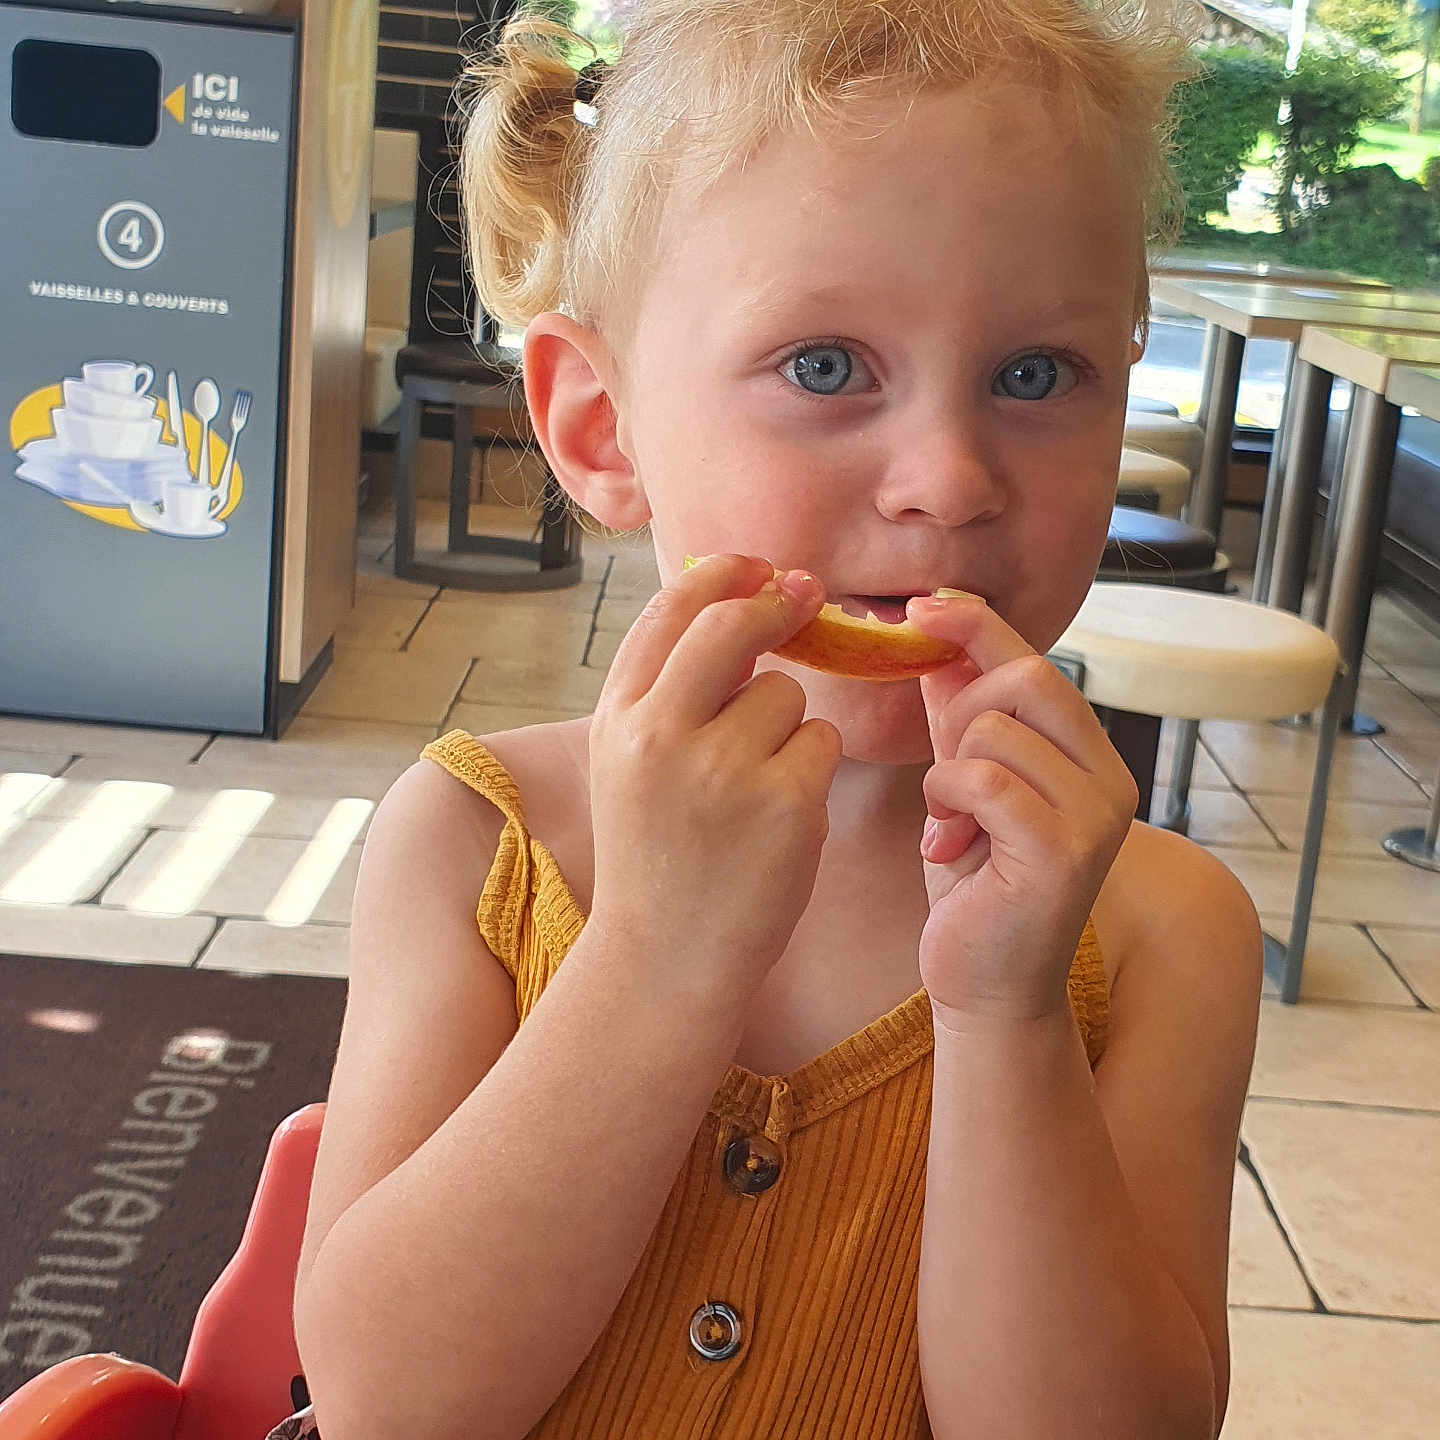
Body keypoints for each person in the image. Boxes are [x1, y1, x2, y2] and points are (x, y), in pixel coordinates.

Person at [273, 0, 1262, 1436]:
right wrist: (657, 948)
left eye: (1035, 374)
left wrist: (1007, 1014)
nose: (948, 477)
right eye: (824, 366)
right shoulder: (478, 837)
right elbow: (388, 1401)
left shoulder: (1164, 931)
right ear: (603, 426)